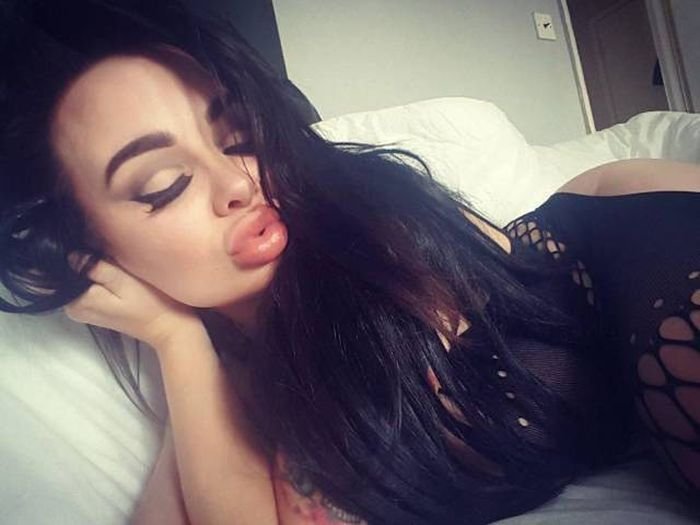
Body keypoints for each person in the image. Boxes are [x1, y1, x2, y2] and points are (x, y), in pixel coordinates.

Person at [0, 1, 698, 524]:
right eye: (164, 185)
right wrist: (174, 339)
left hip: (614, 241)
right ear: (95, 253)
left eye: (238, 136)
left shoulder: (364, 226)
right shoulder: (219, 379)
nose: (238, 181)